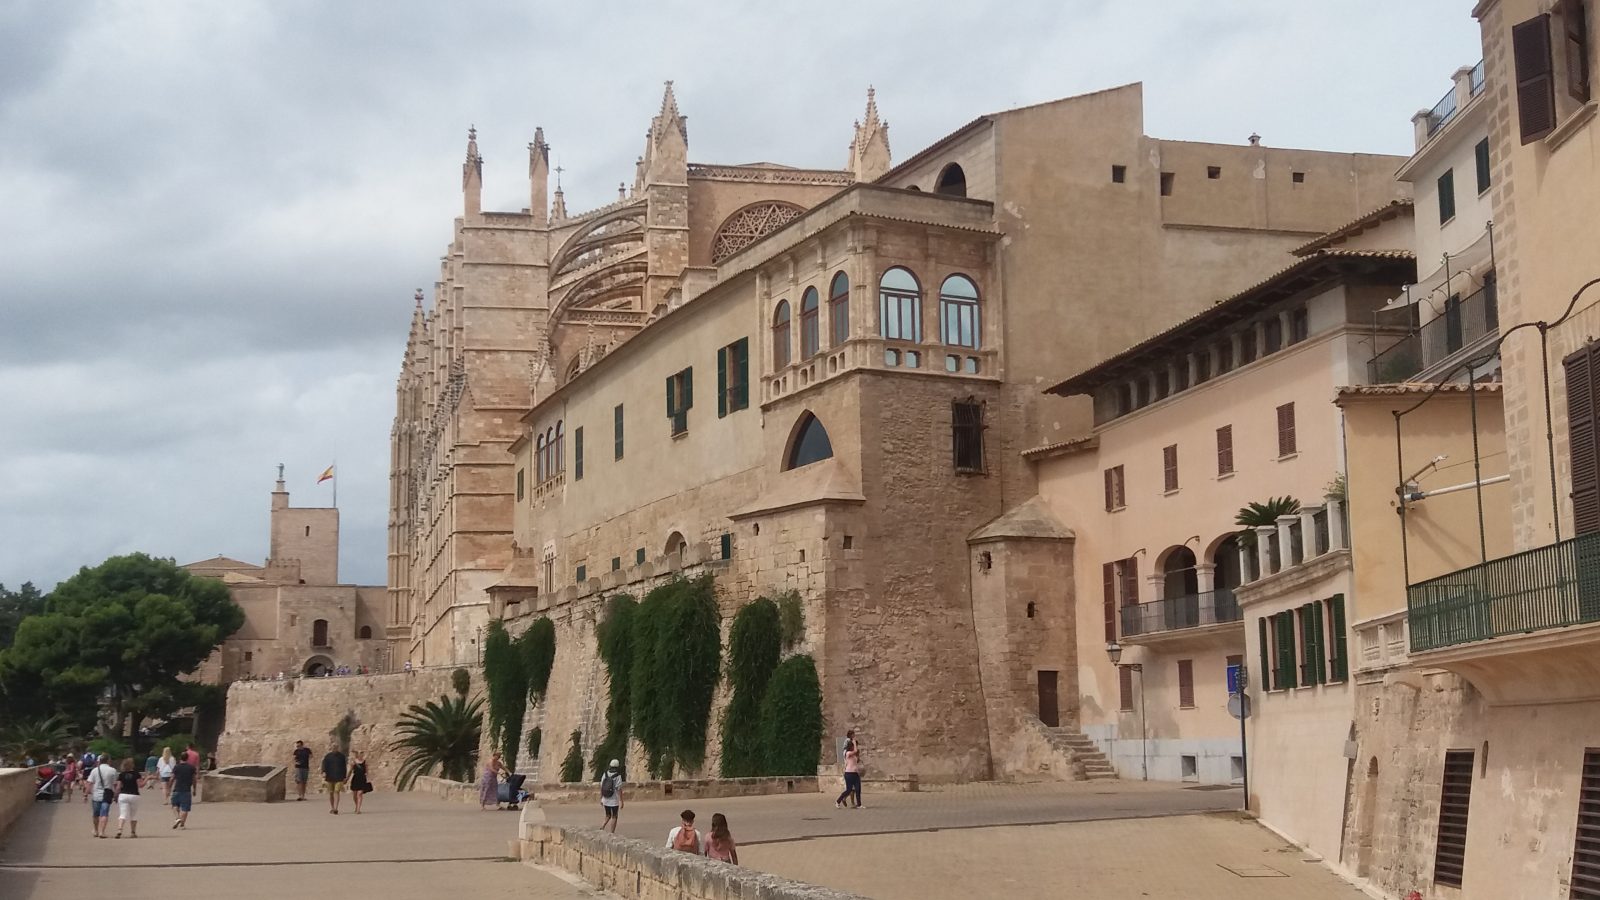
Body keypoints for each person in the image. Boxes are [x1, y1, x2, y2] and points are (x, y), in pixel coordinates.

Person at [87, 754, 118, 838]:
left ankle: (95, 830)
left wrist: (86, 794)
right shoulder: (113, 770)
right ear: (108, 760)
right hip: (107, 794)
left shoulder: (95, 770)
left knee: (95, 814)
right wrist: (116, 795)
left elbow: (89, 782)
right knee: (104, 814)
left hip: (96, 794)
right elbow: (115, 784)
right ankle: (102, 832)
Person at [113, 757, 142, 839]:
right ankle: (133, 832)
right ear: (132, 765)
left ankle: (119, 830)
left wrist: (115, 795)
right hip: (134, 795)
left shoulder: (121, 775)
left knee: (122, 814)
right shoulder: (136, 774)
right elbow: (140, 785)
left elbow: (118, 787)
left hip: (123, 794)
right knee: (133, 814)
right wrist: (147, 778)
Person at [835, 730, 862, 809]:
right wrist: (853, 743)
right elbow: (855, 750)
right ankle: (838, 801)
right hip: (849, 774)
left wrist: (858, 756)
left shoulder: (854, 755)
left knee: (858, 789)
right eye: (854, 746)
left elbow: (857, 759)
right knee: (849, 790)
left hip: (855, 773)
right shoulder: (848, 753)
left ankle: (859, 804)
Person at [170, 753, 197, 829]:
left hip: (177, 789)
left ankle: (177, 818)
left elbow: (172, 778)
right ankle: (182, 823)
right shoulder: (191, 768)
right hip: (187, 790)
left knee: (174, 805)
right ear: (187, 758)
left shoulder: (176, 767)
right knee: (185, 808)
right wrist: (194, 789)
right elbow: (194, 779)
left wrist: (169, 787)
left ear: (180, 758)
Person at [598, 759, 623, 833]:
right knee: (614, 816)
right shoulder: (618, 776)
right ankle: (612, 833)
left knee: (607, 815)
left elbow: (602, 787)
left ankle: (602, 827)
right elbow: (619, 789)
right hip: (613, 800)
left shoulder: (605, 774)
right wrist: (621, 800)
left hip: (605, 798)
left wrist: (601, 798)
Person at [322, 744, 348, 814]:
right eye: (333, 747)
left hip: (339, 777)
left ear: (337, 748)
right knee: (331, 793)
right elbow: (324, 765)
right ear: (331, 748)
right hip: (330, 777)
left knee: (337, 792)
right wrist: (324, 772)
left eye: (336, 747)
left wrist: (345, 777)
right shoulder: (328, 756)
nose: (334, 749)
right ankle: (332, 807)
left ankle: (336, 808)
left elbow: (344, 767)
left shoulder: (342, 756)